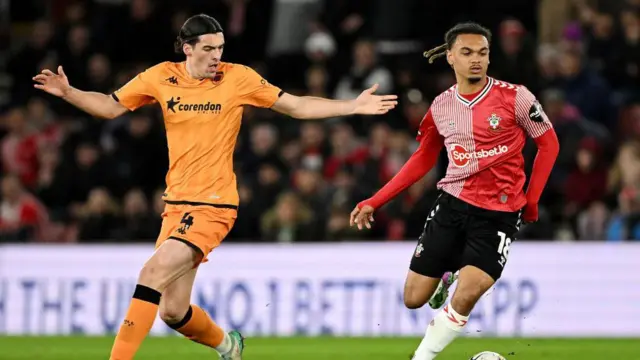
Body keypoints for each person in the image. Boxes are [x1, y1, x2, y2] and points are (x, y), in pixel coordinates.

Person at [33, 14, 397, 360]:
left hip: (213, 204)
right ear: (187, 48)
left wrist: (352, 105)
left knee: (151, 274)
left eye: (220, 48)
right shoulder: (161, 76)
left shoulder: (237, 78)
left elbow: (297, 106)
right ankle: (227, 345)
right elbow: (110, 107)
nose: (216, 56)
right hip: (175, 205)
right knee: (173, 311)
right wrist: (69, 93)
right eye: (208, 48)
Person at [350, 22, 559, 359]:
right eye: (466, 53)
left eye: (482, 53)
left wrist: (531, 200)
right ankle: (449, 272)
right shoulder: (441, 107)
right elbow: (422, 160)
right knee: (414, 298)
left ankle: (421, 357)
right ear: (450, 58)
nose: (476, 60)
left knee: (467, 295)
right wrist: (376, 200)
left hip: (499, 214)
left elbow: (549, 145)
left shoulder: (516, 97)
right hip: (452, 205)